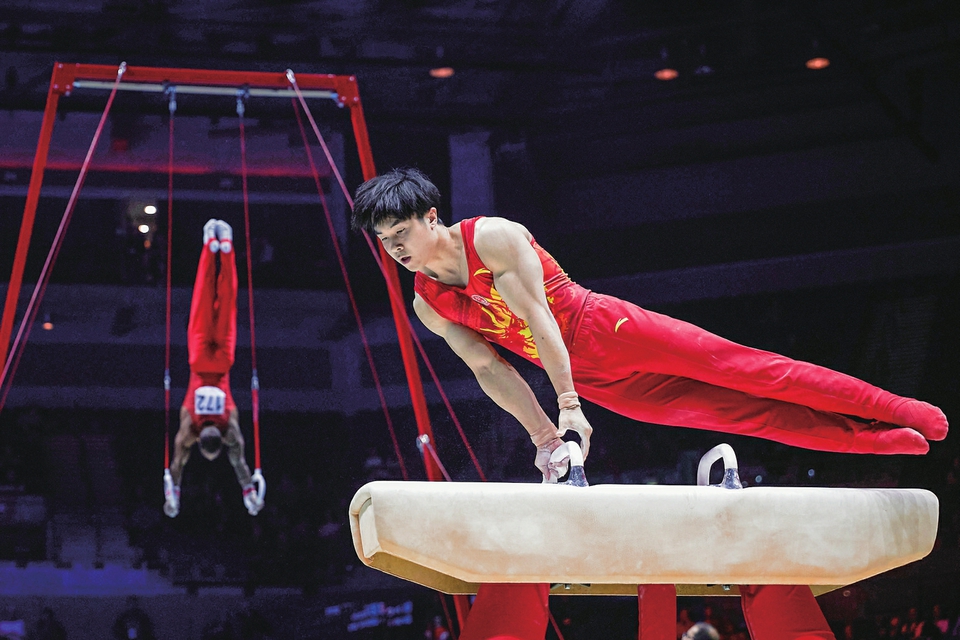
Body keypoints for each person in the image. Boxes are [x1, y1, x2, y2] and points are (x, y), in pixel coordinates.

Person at [351, 168, 948, 480]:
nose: (396, 249)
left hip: (607, 329)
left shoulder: (494, 238)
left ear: (431, 216)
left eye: (401, 233)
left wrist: (567, 404)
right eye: (384, 242)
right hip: (601, 384)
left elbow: (538, 317)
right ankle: (869, 440)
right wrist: (544, 438)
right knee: (745, 416)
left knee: (757, 373)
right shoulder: (428, 303)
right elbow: (489, 368)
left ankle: (893, 408)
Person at [163, 219, 263, 518]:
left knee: (217, 301)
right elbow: (235, 463)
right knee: (210, 299)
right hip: (205, 359)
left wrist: (173, 494)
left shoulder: (208, 429)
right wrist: (248, 492)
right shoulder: (199, 430)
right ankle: (216, 245)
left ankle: (221, 246)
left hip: (215, 361)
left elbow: (181, 465)